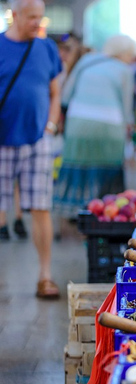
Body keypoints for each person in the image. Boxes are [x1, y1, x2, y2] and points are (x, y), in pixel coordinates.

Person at [0, 0, 62, 297]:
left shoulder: (46, 48)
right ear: (14, 15)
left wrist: (50, 126)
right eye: (31, 17)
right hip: (2, 142)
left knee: (41, 207)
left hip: (38, 139)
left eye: (40, 16)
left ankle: (45, 276)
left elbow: (54, 90)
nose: (38, 22)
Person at [53, 35, 136, 221]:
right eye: (131, 54)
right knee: (109, 173)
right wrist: (130, 132)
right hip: (110, 127)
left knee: (79, 166)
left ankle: (76, 212)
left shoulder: (87, 61)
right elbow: (126, 108)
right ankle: (106, 214)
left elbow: (66, 96)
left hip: (78, 125)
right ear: (123, 53)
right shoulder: (125, 71)